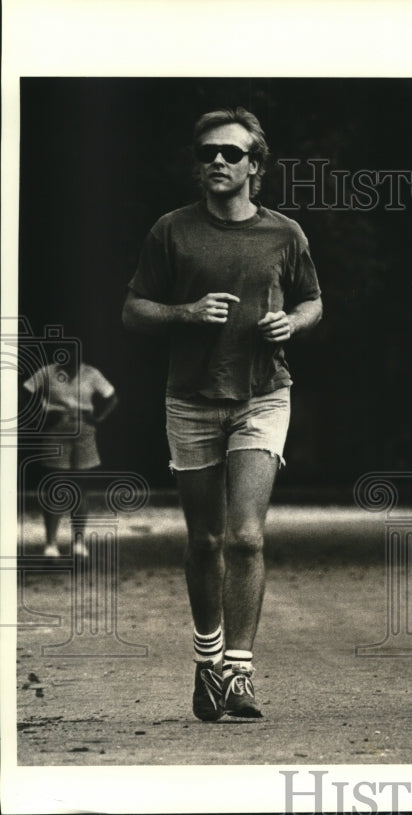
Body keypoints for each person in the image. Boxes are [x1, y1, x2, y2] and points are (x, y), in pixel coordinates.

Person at [122, 107, 322, 721]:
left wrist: (292, 321)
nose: (216, 161)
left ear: (254, 166)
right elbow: (133, 310)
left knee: (246, 535)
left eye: (231, 154)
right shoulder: (171, 232)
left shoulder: (284, 234)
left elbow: (313, 301)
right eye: (207, 152)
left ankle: (239, 671)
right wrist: (185, 313)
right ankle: (206, 661)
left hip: (264, 395)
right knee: (205, 539)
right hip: (190, 399)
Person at [22, 354, 118, 558]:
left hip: (84, 432)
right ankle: (51, 543)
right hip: (56, 432)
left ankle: (79, 542)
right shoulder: (48, 372)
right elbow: (25, 392)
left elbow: (111, 397)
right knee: (55, 486)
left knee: (80, 488)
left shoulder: (91, 373)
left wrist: (98, 418)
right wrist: (42, 416)